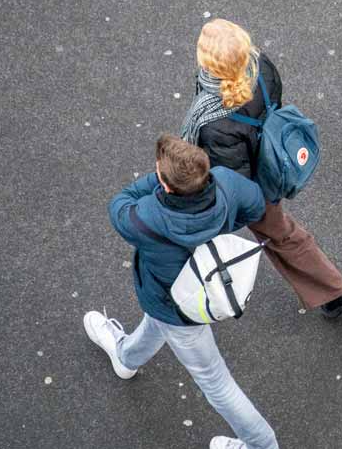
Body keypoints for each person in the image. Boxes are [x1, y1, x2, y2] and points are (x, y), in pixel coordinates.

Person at [84, 135, 277, 449]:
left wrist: (159, 178)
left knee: (216, 383)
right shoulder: (226, 183)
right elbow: (254, 206)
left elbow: (120, 202)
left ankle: (262, 445)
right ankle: (126, 356)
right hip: (206, 290)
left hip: (172, 303)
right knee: (158, 326)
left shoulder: (145, 219)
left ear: (166, 184)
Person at [181, 18, 342, 318]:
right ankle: (335, 292)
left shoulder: (214, 122)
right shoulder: (260, 65)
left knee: (189, 228)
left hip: (251, 185)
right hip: (271, 164)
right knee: (284, 235)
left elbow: (231, 180)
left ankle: (186, 288)